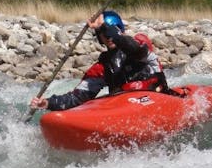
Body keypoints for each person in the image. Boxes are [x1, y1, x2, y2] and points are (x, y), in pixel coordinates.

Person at [30, 10, 168, 111]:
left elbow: (134, 49)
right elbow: (78, 97)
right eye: (103, 34)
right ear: (99, 38)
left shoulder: (139, 43)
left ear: (119, 30)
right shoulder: (102, 66)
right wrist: (48, 103)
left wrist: (105, 28)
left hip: (156, 98)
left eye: (110, 32)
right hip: (127, 108)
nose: (108, 37)